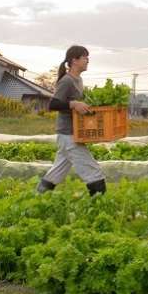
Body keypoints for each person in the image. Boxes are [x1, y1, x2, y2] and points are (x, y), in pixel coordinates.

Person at [36, 45, 107, 196]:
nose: (88, 60)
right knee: (93, 172)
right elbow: (53, 104)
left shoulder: (78, 80)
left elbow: (76, 106)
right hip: (68, 134)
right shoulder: (66, 81)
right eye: (85, 57)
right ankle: (99, 204)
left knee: (58, 170)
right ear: (74, 60)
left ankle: (39, 195)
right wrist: (73, 104)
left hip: (71, 133)